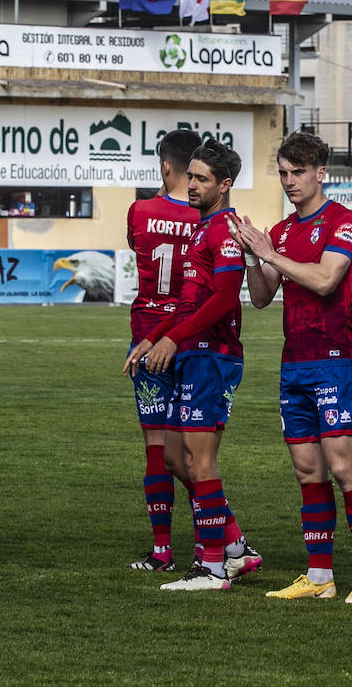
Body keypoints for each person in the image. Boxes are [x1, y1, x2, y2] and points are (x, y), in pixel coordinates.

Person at [231, 131, 352, 604]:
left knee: (343, 467)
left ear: (321, 173)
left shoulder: (344, 221)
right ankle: (319, 578)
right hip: (293, 363)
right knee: (306, 471)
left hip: (336, 360)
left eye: (298, 172)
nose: (290, 181)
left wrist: (271, 252)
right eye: (283, 173)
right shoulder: (281, 231)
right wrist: (251, 254)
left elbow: (325, 279)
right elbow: (259, 297)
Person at [125, 138, 262, 591]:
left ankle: (212, 567)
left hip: (212, 356)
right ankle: (235, 549)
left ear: (224, 185)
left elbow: (224, 299)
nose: (192, 186)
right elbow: (189, 303)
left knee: (198, 462)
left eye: (202, 179)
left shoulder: (224, 229)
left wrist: (173, 337)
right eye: (192, 177)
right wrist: (152, 339)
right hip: (192, 351)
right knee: (174, 457)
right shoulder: (203, 228)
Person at [123, 128, 201, 572]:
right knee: (194, 452)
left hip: (149, 336)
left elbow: (138, 243)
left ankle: (162, 551)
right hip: (193, 337)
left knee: (156, 448)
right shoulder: (205, 216)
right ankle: (211, 542)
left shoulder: (140, 210)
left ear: (165, 165)